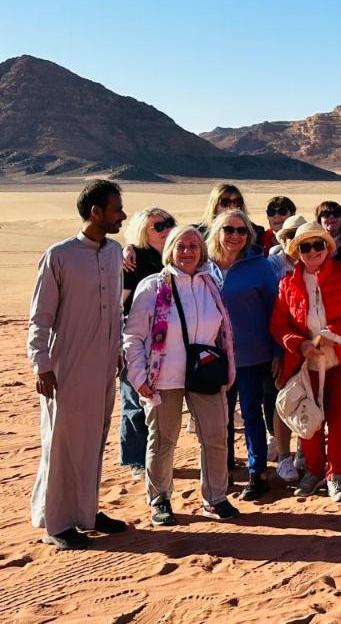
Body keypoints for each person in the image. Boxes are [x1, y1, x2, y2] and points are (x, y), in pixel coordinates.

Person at [28, 180, 128, 550]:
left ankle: (86, 512)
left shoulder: (114, 252)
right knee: (62, 442)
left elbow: (115, 309)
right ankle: (58, 522)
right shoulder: (59, 256)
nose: (122, 214)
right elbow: (40, 316)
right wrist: (41, 363)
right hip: (66, 364)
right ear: (96, 213)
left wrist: (117, 349)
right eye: (116, 208)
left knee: (93, 440)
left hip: (104, 364)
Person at [124, 225, 239, 525]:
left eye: (193, 246)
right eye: (181, 246)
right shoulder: (152, 286)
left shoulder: (210, 283)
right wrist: (138, 377)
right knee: (162, 439)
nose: (187, 252)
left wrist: (226, 367)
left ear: (202, 250)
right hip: (164, 377)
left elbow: (222, 332)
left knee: (216, 435)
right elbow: (133, 336)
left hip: (205, 374)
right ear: (170, 251)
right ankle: (160, 499)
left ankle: (215, 498)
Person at [271, 222, 341, 502]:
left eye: (318, 244)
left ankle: (336, 474)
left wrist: (335, 333)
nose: (313, 251)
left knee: (340, 421)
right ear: (298, 252)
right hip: (306, 366)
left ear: (328, 247)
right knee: (309, 420)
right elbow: (278, 325)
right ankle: (314, 471)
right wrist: (300, 344)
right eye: (305, 247)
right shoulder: (287, 284)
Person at [210, 209, 281, 501]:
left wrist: (277, 352)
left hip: (253, 355)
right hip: (212, 356)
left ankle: (258, 473)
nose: (235, 236)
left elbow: (275, 310)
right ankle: (222, 473)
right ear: (218, 232)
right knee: (219, 417)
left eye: (241, 231)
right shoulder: (204, 264)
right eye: (229, 230)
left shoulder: (259, 265)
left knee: (251, 414)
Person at [118, 206, 175, 480]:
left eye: (168, 223)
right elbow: (120, 303)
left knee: (161, 400)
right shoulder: (133, 260)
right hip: (137, 338)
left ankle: (158, 455)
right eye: (158, 226)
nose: (165, 229)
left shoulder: (174, 255)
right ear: (143, 231)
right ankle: (136, 459)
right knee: (134, 398)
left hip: (169, 341)